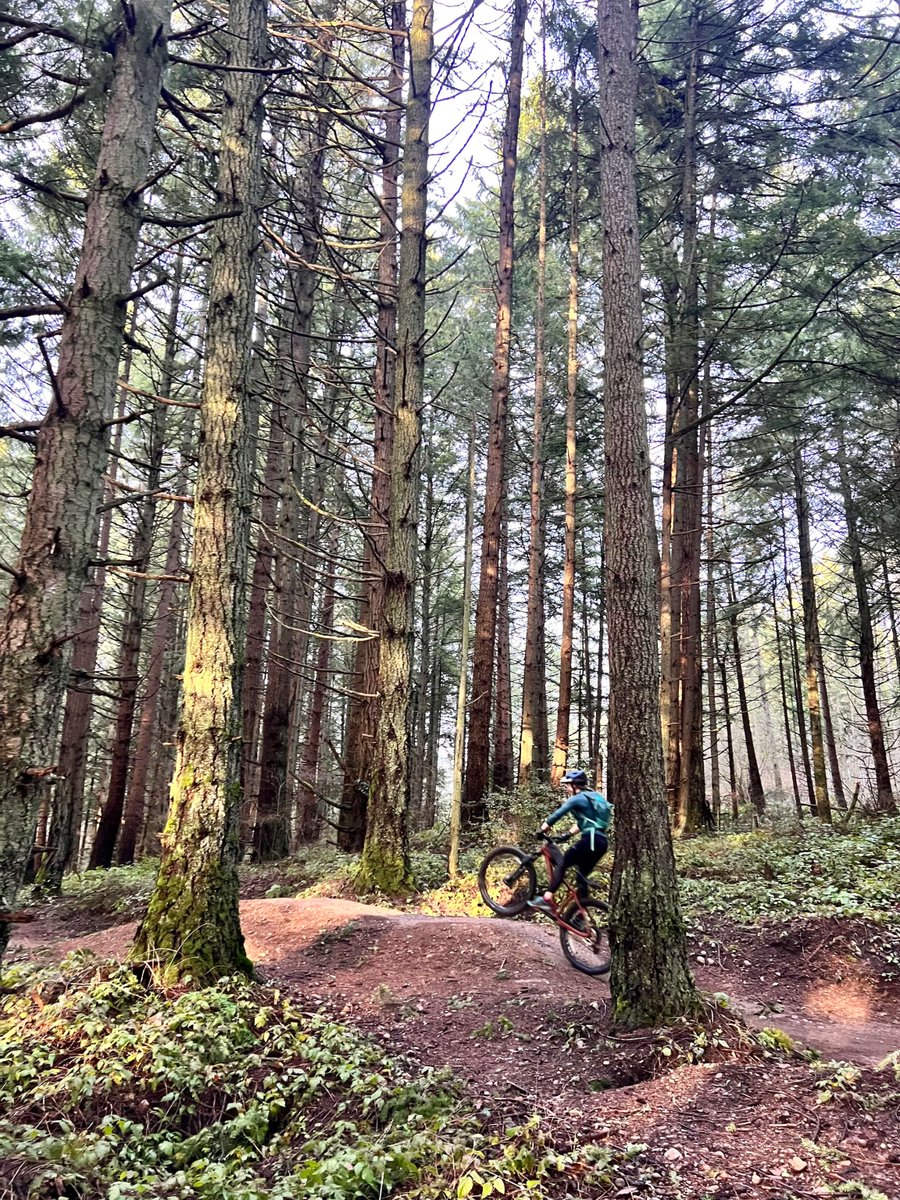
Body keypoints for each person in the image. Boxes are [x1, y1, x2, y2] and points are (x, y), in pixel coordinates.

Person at [527, 767, 611, 914]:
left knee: (563, 863)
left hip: (590, 840)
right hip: (601, 842)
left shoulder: (577, 798)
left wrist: (542, 829)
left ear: (575, 785)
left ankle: (546, 899)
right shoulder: (594, 797)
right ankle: (580, 915)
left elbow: (558, 814)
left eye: (567, 785)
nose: (566, 788)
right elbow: (586, 822)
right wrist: (568, 834)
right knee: (581, 877)